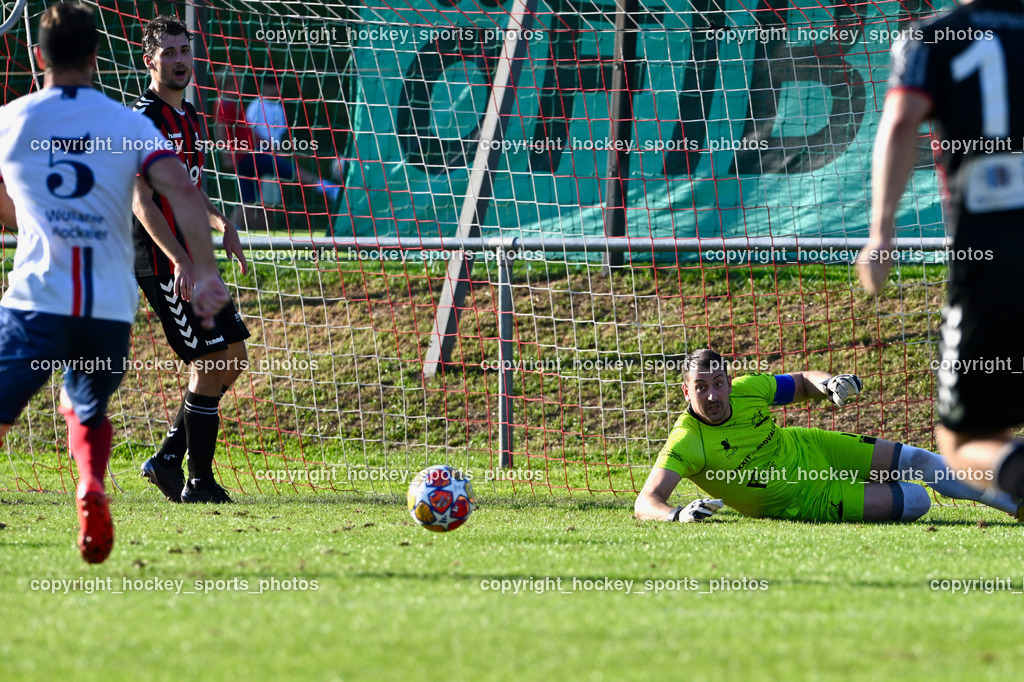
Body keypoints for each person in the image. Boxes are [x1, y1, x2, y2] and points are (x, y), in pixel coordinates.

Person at [0, 4, 229, 562]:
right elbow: (178, 187)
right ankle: (92, 486)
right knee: (85, 407)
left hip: (36, 295)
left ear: (38, 56)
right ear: (97, 56)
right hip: (107, 303)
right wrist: (203, 267)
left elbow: (6, 214)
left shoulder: (12, 118)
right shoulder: (126, 122)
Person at [856, 0, 1024, 501]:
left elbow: (901, 120)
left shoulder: (933, 37)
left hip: (995, 250)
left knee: (962, 444)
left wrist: (881, 233)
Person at [634, 349, 1021, 523]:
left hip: (812, 446)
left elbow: (803, 381)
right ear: (687, 392)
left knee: (919, 461)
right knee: (917, 500)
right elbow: (646, 500)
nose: (713, 395)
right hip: (807, 499)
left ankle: (1015, 505)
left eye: (718, 383)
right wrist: (676, 515)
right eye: (701, 387)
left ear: (729, 381)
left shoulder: (750, 388)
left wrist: (830, 383)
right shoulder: (687, 441)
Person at [132, 15, 249, 504]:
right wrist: (180, 261)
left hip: (196, 260)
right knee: (210, 358)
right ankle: (198, 481)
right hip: (164, 264)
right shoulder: (142, 120)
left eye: (185, 51)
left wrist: (223, 224)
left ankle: (167, 459)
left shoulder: (191, 116)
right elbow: (141, 199)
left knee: (233, 357)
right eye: (170, 53)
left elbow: (187, 190)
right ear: (150, 61)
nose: (181, 60)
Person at [227, 73, 337, 230]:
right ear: (263, 87)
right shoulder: (256, 106)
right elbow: (250, 132)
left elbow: (278, 136)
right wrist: (269, 147)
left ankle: (243, 230)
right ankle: (332, 190)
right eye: (270, 85)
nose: (273, 89)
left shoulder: (279, 108)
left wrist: (282, 151)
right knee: (293, 176)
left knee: (267, 204)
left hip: (272, 156)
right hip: (257, 155)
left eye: (276, 85)